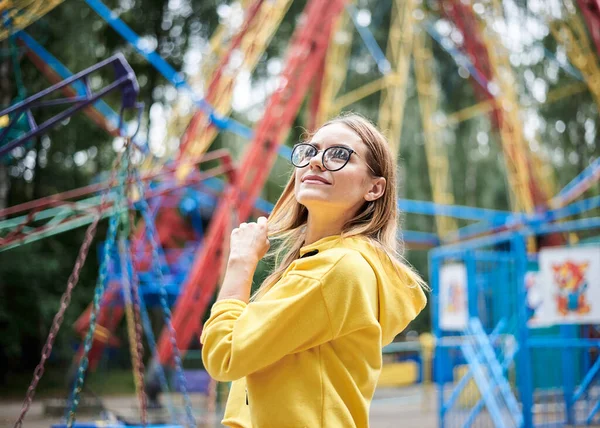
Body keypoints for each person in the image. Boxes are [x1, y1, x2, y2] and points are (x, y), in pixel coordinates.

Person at [200, 113, 428, 427]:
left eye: (339, 155)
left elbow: (224, 354)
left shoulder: (332, 270)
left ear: (375, 188)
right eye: (310, 151)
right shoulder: (326, 265)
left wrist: (241, 262)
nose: (317, 161)